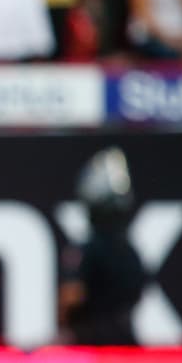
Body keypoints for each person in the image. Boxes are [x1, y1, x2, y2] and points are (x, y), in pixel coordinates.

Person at [58, 147, 147, 346]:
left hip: (89, 344)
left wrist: (66, 323)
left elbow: (72, 295)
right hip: (126, 343)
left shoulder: (87, 250)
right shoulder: (131, 252)